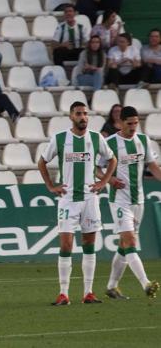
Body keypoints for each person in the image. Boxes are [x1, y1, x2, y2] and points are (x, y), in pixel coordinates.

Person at [38, 101, 117, 306]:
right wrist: (50, 186)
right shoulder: (60, 138)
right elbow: (42, 162)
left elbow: (112, 159)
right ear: (71, 116)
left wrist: (104, 181)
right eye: (79, 114)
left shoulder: (95, 137)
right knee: (66, 244)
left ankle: (88, 293)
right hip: (68, 200)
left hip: (90, 199)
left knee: (89, 244)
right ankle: (63, 293)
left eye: (85, 113)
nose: (83, 117)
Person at [101, 106, 160, 300]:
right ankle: (146, 284)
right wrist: (110, 180)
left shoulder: (143, 141)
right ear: (120, 123)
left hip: (138, 201)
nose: (133, 127)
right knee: (131, 242)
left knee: (124, 245)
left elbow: (152, 166)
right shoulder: (109, 143)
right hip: (119, 201)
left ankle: (111, 286)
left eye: (136, 123)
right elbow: (95, 168)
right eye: (129, 123)